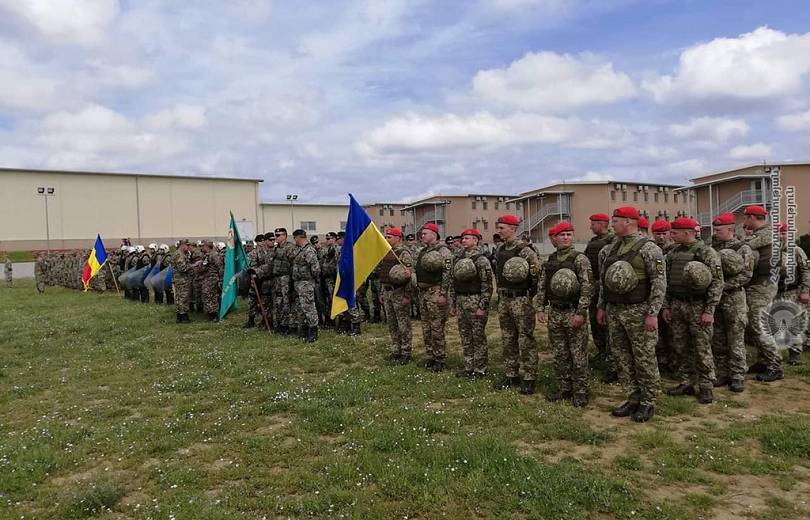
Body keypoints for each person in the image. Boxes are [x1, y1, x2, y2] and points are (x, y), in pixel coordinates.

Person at [597, 206, 666, 423]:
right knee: (621, 356)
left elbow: (658, 282)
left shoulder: (649, 249)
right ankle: (632, 396)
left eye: (616, 220)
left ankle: (648, 401)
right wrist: (601, 306)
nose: (612, 224)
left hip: (639, 310)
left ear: (629, 221)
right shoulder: (610, 249)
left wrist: (653, 312)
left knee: (643, 357)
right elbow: (604, 280)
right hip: (615, 309)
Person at [663, 217, 723, 404]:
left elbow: (717, 282)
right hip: (677, 305)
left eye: (675, 232)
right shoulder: (672, 253)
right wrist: (666, 306)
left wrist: (709, 310)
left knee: (702, 347)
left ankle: (706, 385)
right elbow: (665, 281)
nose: (671, 235)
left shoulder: (706, 252)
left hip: (698, 305)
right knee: (680, 346)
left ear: (688, 233)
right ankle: (686, 381)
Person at [536, 222, 593, 406]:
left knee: (578, 354)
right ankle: (564, 388)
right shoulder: (550, 260)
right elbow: (543, 285)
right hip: (555, 312)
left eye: (569, 234)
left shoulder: (580, 259)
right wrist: (540, 308)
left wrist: (581, 313)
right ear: (555, 238)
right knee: (560, 353)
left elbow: (587, 287)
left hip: (573, 311)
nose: (566, 237)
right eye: (562, 235)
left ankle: (581, 391)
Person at [493, 214, 542, 395]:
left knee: (525, 338)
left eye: (502, 228)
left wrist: (529, 296)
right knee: (508, 338)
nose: (499, 231)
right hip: (504, 298)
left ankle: (529, 376)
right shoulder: (500, 250)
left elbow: (537, 276)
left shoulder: (525, 250)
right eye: (499, 228)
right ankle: (511, 373)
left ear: (513, 229)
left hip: (521, 299)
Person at [711, 212, 753, 392]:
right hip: (717, 299)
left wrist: (723, 286)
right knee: (718, 338)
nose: (716, 232)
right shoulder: (712, 247)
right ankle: (722, 372)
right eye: (715, 229)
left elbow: (746, 275)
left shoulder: (743, 248)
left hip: (734, 298)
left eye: (719, 229)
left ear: (730, 229)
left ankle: (737, 375)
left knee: (735, 338)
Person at [742, 205, 783, 382]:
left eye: (745, 218)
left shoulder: (767, 233)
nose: (743, 222)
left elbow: (746, 246)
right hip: (758, 285)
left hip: (763, 286)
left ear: (752, 217)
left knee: (760, 326)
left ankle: (775, 366)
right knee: (753, 326)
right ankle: (764, 360)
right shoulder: (763, 234)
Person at [449, 228, 493, 379]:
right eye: (463, 238)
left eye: (468, 238)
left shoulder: (481, 260)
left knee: (478, 336)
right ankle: (469, 367)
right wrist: (453, 304)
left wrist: (483, 306)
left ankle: (480, 369)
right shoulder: (458, 258)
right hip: (461, 299)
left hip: (475, 300)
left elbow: (487, 285)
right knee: (465, 335)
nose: (464, 240)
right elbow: (453, 282)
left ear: (476, 240)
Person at [415, 223, 453, 371]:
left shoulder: (443, 251)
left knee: (436, 326)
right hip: (423, 293)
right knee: (426, 327)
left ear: (434, 235)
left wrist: (443, 294)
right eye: (422, 233)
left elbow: (447, 274)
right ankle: (431, 355)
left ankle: (440, 358)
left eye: (425, 233)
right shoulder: (423, 251)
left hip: (435, 292)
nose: (422, 236)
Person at [584, 213, 615, 380]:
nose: (591, 227)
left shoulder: (612, 241)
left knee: (608, 323)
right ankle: (601, 350)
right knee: (594, 320)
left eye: (593, 224)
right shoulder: (592, 242)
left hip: (604, 285)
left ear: (602, 223)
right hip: (593, 285)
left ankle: (612, 357)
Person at [379, 227, 416, 363]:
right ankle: (396, 350)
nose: (386, 239)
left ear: (398, 238)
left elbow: (409, 276)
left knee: (403, 324)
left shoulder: (403, 253)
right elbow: (384, 274)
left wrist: (407, 296)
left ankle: (406, 352)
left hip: (399, 292)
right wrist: (382, 292)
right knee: (392, 324)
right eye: (386, 237)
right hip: (388, 292)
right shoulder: (388, 252)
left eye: (389, 237)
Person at [777, 223, 810, 365]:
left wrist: (805, 291)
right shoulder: (772, 251)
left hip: (791, 291)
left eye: (784, 233)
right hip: (775, 293)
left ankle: (795, 353)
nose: (781, 236)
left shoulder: (796, 251)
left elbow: (806, 271)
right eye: (779, 233)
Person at [291, 229, 321, 342]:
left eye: (295, 238)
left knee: (309, 307)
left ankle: (313, 331)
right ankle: (304, 330)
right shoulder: (300, 250)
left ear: (299, 237)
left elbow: (316, 268)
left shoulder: (308, 250)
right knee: (301, 308)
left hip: (306, 282)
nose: (294, 240)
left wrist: (312, 280)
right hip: (298, 283)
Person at [171, 240, 194, 323]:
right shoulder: (179, 255)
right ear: (182, 245)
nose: (188, 247)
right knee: (183, 298)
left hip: (179, 279)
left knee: (178, 298)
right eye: (187, 245)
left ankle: (179, 316)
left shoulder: (179, 254)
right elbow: (182, 268)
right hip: (182, 280)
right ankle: (184, 317)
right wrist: (193, 265)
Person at [199, 241, 224, 321]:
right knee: (207, 296)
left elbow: (219, 266)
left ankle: (214, 314)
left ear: (207, 246)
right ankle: (210, 313)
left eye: (204, 246)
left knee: (211, 296)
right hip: (207, 278)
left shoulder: (214, 254)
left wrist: (220, 279)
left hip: (212, 278)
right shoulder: (207, 255)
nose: (202, 248)